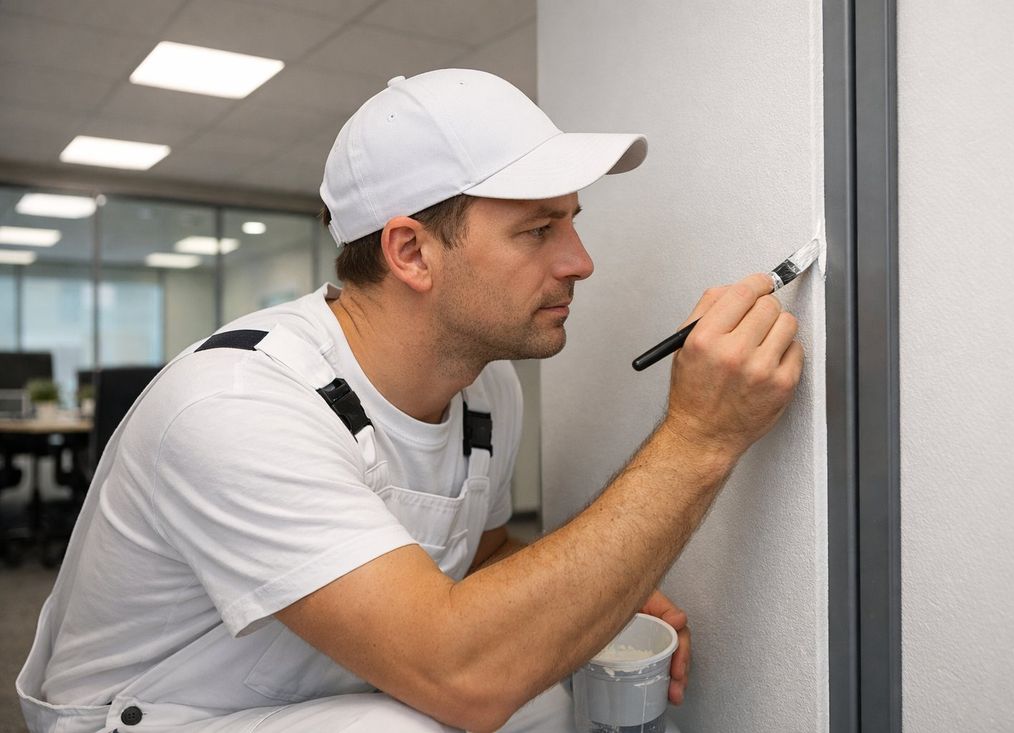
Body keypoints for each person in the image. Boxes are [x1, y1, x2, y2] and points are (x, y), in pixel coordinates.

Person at [17, 69, 803, 732]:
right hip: (157, 712)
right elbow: (463, 673)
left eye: (572, 223)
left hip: (321, 682)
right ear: (411, 252)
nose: (581, 261)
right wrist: (701, 435)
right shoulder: (235, 405)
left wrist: (603, 594)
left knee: (549, 689)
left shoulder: (482, 387)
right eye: (538, 231)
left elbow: (480, 554)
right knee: (416, 721)